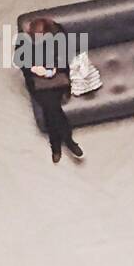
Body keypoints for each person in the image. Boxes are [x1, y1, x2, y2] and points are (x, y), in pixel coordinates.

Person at [20, 16, 83, 164]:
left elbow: (66, 57)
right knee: (52, 107)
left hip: (57, 78)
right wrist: (34, 69)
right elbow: (23, 64)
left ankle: (56, 146)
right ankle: (68, 140)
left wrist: (53, 69)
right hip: (38, 82)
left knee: (50, 108)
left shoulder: (59, 36)